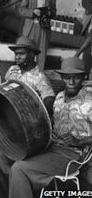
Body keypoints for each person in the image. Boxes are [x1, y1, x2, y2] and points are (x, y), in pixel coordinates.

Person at [6, 57, 92, 198]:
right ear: (62, 77)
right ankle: (18, 191)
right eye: (67, 77)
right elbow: (52, 122)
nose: (71, 82)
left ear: (84, 77)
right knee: (8, 154)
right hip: (51, 147)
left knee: (19, 168)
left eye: (76, 77)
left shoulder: (90, 101)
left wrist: (79, 141)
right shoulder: (59, 97)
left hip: (72, 155)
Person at [0, 36, 56, 191]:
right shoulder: (12, 71)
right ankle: (13, 187)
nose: (17, 56)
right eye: (16, 53)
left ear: (33, 55)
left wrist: (33, 116)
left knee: (15, 156)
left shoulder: (40, 77)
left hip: (30, 131)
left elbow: (50, 99)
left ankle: (21, 185)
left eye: (21, 53)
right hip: (11, 123)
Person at [18, 0, 56, 71]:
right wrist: (32, 12)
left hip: (44, 27)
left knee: (42, 52)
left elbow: (54, 12)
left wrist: (49, 12)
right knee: (27, 50)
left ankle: (39, 74)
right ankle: (24, 72)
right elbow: (21, 9)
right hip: (30, 27)